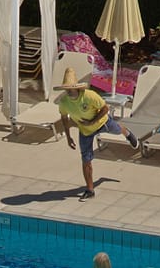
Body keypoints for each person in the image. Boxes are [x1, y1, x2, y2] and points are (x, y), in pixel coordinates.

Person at [56, 68, 138, 202]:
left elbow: (105, 108)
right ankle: (90, 190)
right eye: (66, 89)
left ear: (77, 88)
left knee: (118, 130)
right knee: (86, 160)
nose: (69, 91)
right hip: (85, 131)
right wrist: (68, 137)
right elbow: (64, 118)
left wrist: (92, 121)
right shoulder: (64, 102)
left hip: (102, 123)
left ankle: (127, 133)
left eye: (71, 89)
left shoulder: (89, 95)